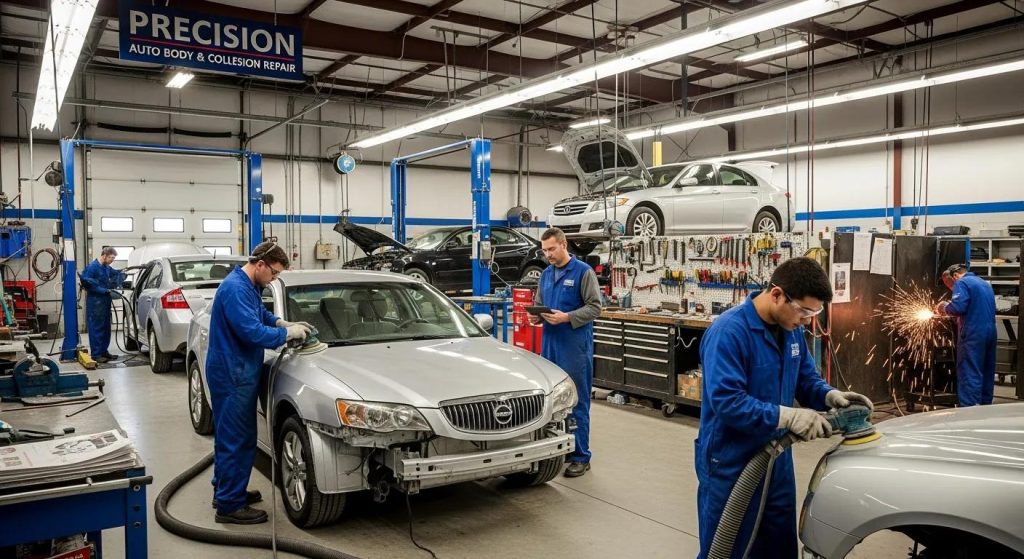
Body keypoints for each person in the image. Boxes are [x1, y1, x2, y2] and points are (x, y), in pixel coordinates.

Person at [695, 257, 873, 559]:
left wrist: (830, 396)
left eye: (814, 313)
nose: (807, 320)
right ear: (777, 294)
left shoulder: (792, 330)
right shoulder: (729, 332)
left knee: (778, 548)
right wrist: (787, 416)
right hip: (730, 460)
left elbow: (806, 379)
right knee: (727, 548)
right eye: (804, 311)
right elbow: (727, 402)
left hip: (777, 461)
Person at [206, 241, 311, 524]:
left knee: (231, 437)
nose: (274, 279)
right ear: (260, 264)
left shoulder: (248, 285)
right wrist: (287, 336)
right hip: (232, 374)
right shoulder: (236, 288)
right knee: (237, 439)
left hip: (236, 370)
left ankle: (226, 491)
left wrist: (280, 323)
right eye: (274, 273)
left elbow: (259, 315)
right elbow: (251, 331)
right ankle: (229, 506)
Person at [528, 227, 602, 478]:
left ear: (563, 244)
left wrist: (567, 317)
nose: (547, 254)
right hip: (550, 343)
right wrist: (537, 318)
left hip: (574, 345)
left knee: (576, 400)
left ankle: (581, 456)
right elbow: (539, 304)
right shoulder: (546, 274)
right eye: (544, 250)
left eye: (551, 249)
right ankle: (559, 449)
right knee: (552, 401)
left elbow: (595, 308)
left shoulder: (583, 272)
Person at [935, 263, 996, 406]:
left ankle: (969, 410)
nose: (951, 288)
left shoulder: (961, 282)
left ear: (954, 276)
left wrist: (943, 307)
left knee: (969, 370)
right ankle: (985, 406)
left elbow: (958, 307)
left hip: (972, 333)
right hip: (990, 332)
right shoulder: (983, 283)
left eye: (949, 284)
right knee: (986, 370)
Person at [80, 247, 126, 363]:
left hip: (105, 302)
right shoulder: (92, 267)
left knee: (106, 328)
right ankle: (96, 354)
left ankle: (104, 351)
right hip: (96, 302)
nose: (112, 260)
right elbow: (87, 283)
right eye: (111, 258)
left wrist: (124, 271)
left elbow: (115, 273)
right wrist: (104, 290)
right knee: (97, 328)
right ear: (104, 255)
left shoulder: (106, 267)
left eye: (113, 258)